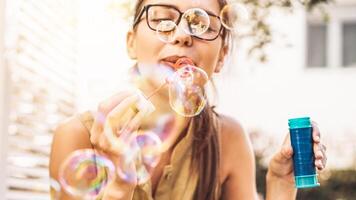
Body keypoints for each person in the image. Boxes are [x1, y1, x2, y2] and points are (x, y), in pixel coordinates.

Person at [49, 0, 327, 199]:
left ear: (222, 57)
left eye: (203, 25)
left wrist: (280, 184)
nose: (182, 35)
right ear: (131, 42)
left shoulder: (227, 138)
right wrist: (120, 187)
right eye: (160, 19)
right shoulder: (79, 136)